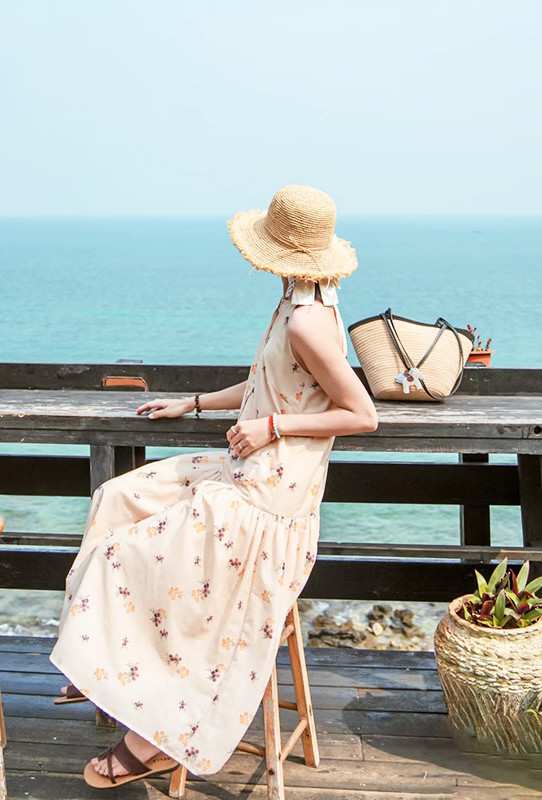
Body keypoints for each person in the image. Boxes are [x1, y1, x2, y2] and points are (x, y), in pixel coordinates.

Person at [50, 184, 378, 789]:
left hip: (268, 500)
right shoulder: (301, 300)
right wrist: (194, 403)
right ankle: (96, 658)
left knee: (128, 554)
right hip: (243, 471)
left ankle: (148, 735)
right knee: (118, 497)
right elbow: (265, 384)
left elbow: (361, 414)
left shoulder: (307, 320)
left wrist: (274, 426)